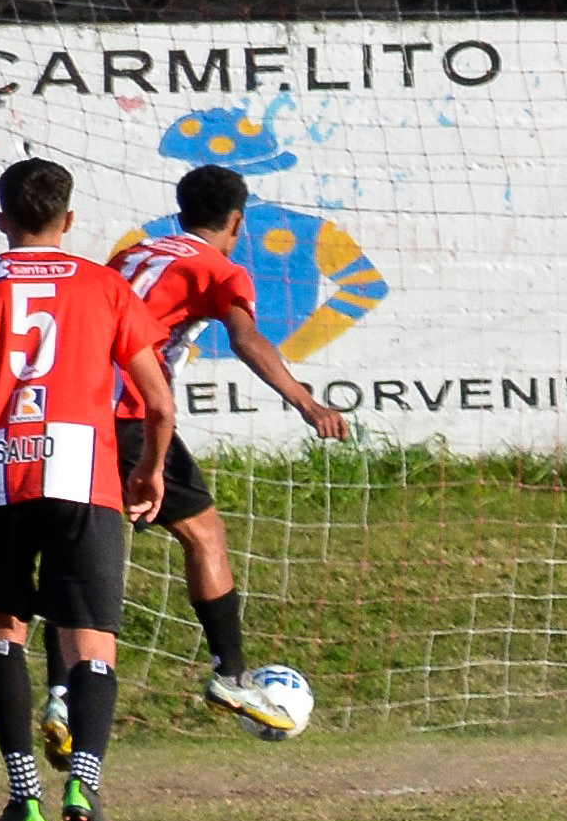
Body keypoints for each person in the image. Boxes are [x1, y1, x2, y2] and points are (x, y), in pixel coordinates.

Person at [0, 158, 173, 821]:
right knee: (91, 637)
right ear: (70, 219)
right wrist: (149, 466)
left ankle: (24, 796)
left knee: (4, 629)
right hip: (83, 471)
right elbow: (159, 399)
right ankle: (82, 781)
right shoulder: (105, 286)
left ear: (1, 219)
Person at [38, 165, 350, 758]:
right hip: (127, 413)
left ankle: (59, 696)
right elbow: (245, 337)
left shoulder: (131, 256)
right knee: (204, 534)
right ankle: (230, 673)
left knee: (76, 551)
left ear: (180, 212)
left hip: (66, 410)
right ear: (237, 222)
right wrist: (307, 402)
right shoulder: (218, 267)